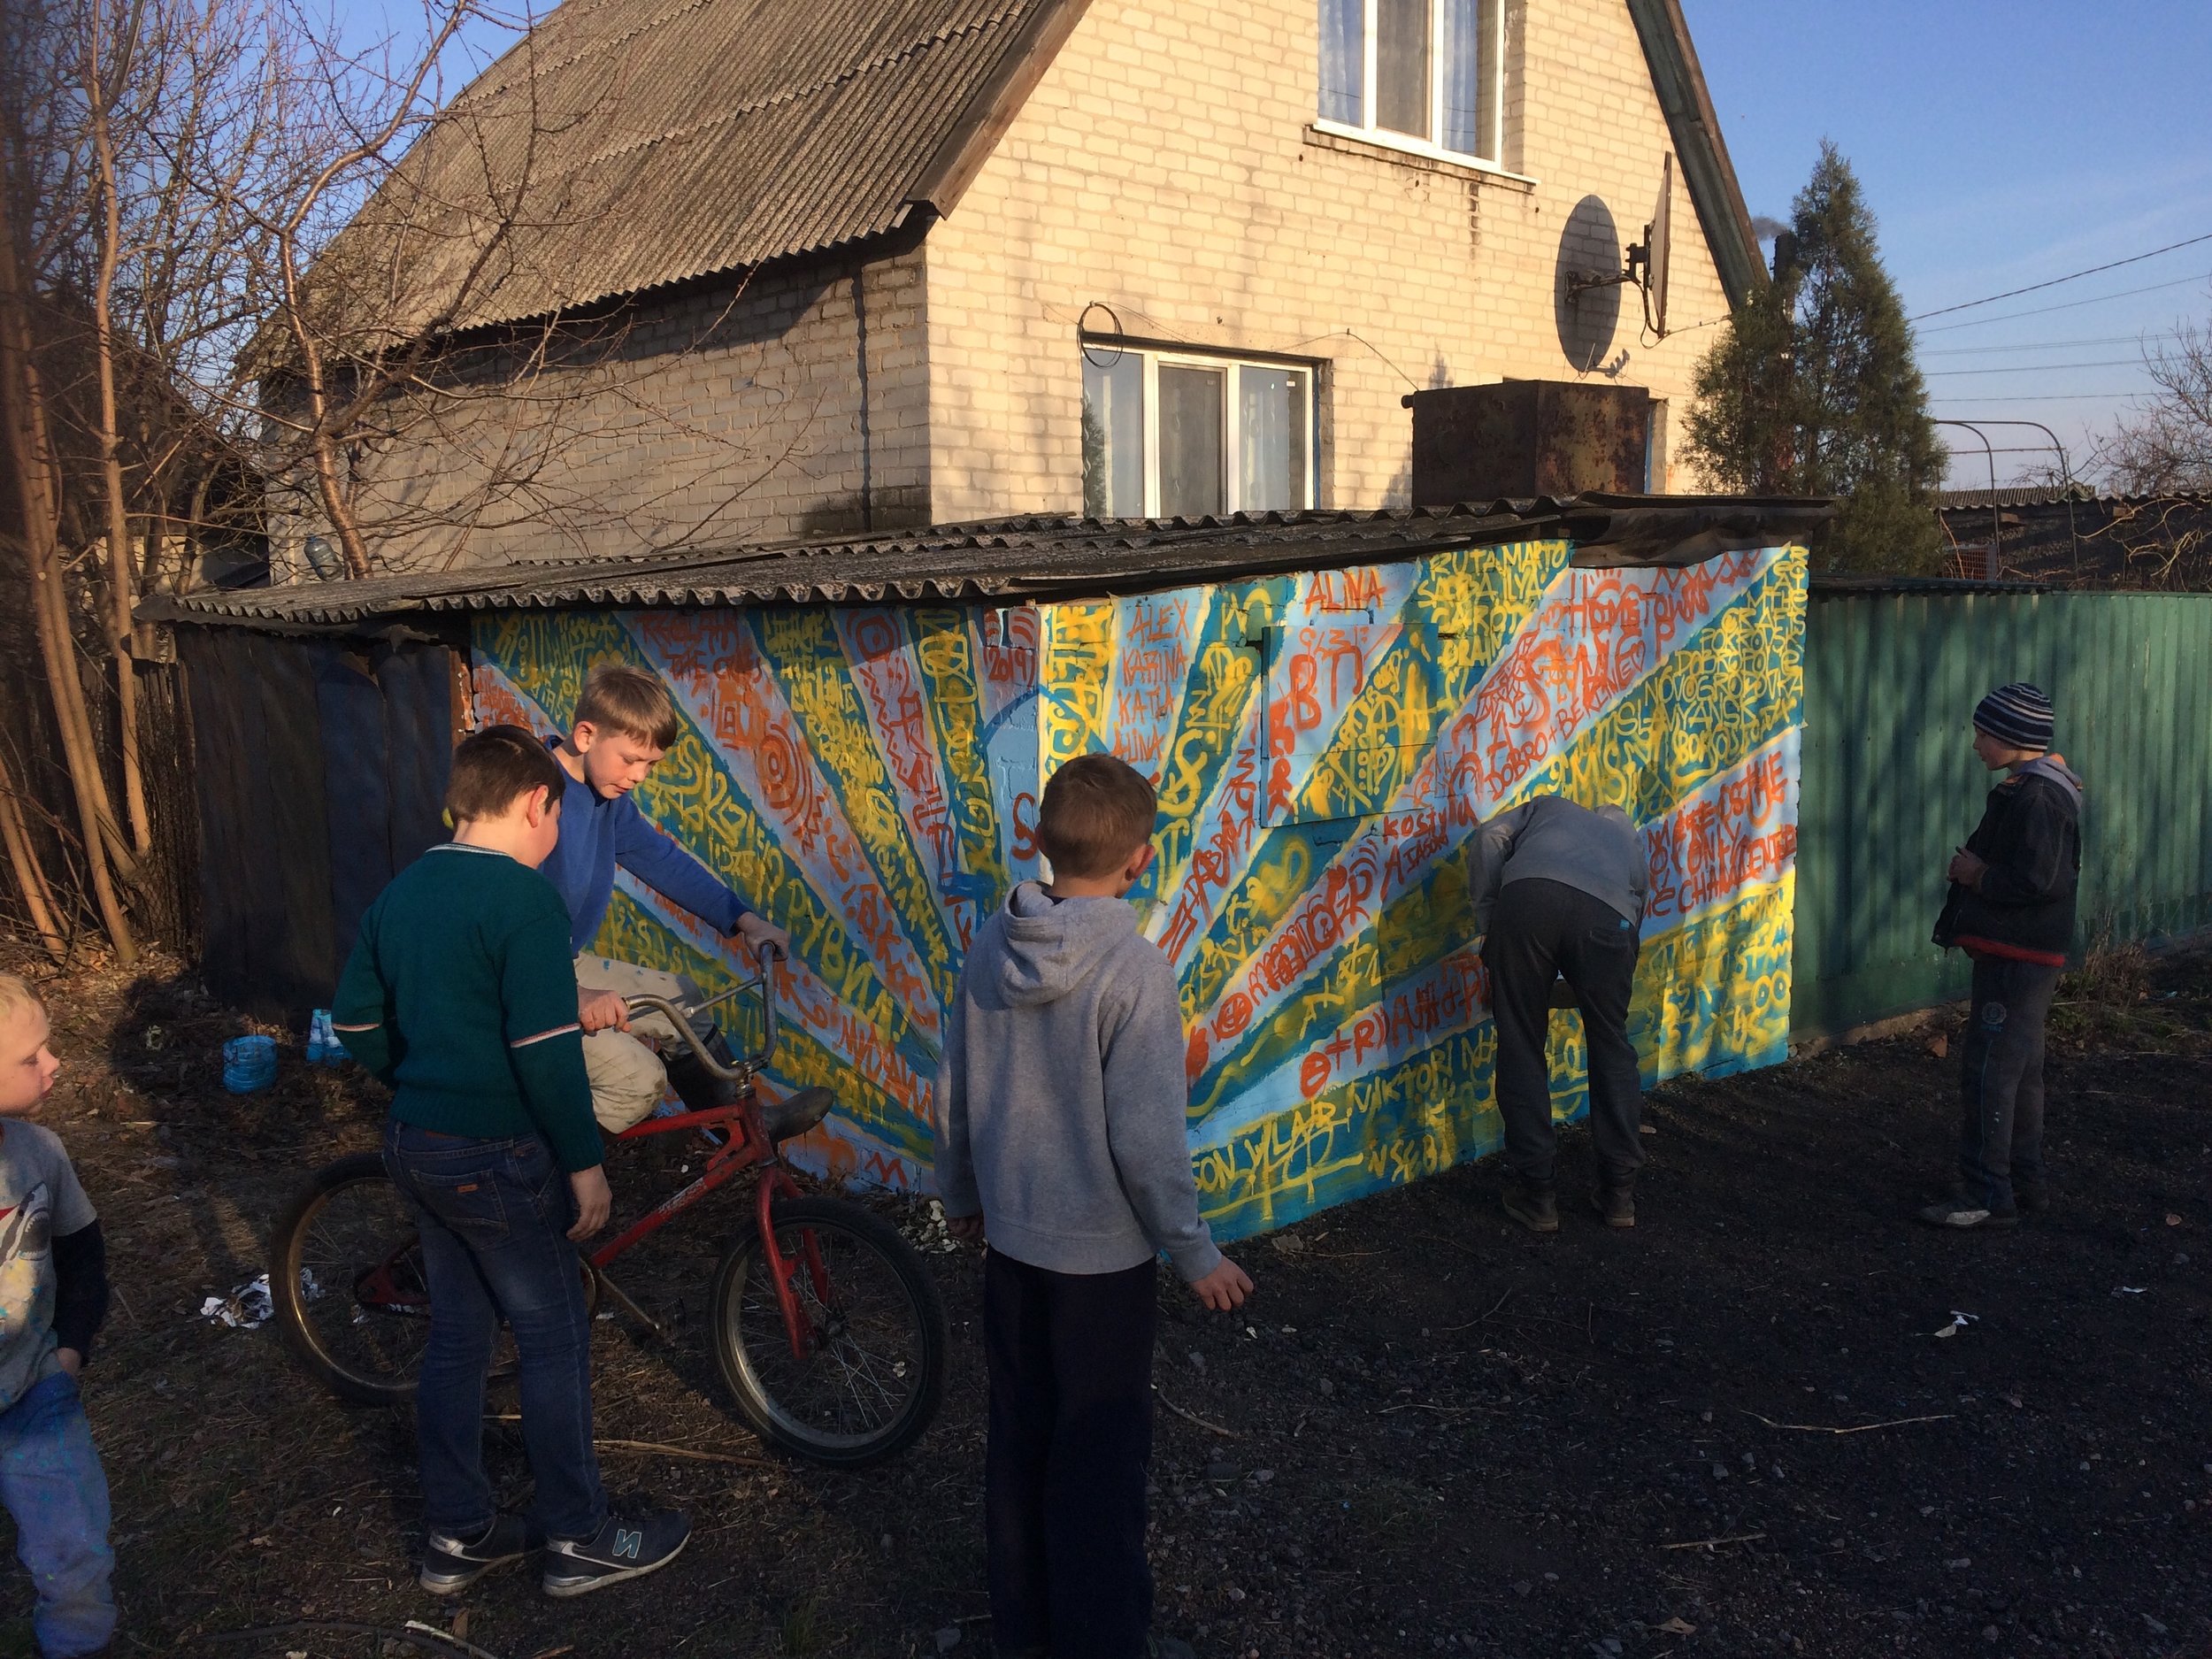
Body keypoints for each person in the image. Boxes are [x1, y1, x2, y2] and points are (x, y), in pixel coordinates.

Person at [333, 725, 689, 1598]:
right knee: (554, 1334)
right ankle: (580, 1536)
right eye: (557, 819)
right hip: (495, 1157)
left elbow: (352, 1023)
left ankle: (457, 1537)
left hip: (417, 1145)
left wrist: (417, 1080)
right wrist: (584, 1163)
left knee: (457, 1337)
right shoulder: (525, 903)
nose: (558, 837)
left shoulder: (403, 892)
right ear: (536, 803)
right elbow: (543, 1049)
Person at [934, 753, 1252, 1659]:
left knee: (1019, 1442)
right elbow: (1148, 1144)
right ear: (1140, 860)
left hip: (1012, 1246)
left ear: (1038, 843)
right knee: (1101, 1462)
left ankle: (1023, 1631)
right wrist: (1195, 1253)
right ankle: (1104, 1639)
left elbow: (952, 1085)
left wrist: (961, 1190)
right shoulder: (1137, 971)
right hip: (1102, 1270)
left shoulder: (991, 944)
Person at [538, 664, 789, 1132]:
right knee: (638, 1080)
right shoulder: (536, 796)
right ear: (587, 734)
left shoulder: (606, 798)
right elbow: (496, 916)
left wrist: (744, 921)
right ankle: (544, 1173)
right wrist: (565, 994)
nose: (640, 776)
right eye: (631, 759)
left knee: (682, 1000)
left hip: (560, 964)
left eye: (650, 765)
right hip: (522, 981)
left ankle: (739, 1135)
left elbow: (661, 860)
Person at [1922, 682, 2084, 1231]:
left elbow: (2040, 880)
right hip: (2026, 956)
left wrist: (1976, 875)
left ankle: (1985, 1193)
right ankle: (2023, 1179)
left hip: (2016, 958)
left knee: (1989, 1071)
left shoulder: (2036, 797)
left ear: (2012, 737)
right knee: (2021, 1072)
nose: (1975, 745)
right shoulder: (2039, 791)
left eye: (1982, 733)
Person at [1471, 793, 1650, 1234]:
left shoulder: (1548, 807)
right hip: (1610, 923)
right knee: (1611, 1042)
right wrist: (1597, 985)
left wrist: (1491, 927)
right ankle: (1619, 1194)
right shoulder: (1626, 839)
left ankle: (1537, 1196)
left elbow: (1489, 836)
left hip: (1529, 900)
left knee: (1520, 1039)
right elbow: (1635, 900)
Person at [0, 973, 115, 1657]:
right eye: (30, 1056)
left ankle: (81, 1645)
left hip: (35, 1389)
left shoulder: (41, 1151)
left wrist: (69, 1350)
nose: (54, 1064)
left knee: (72, 1542)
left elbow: (84, 1255)